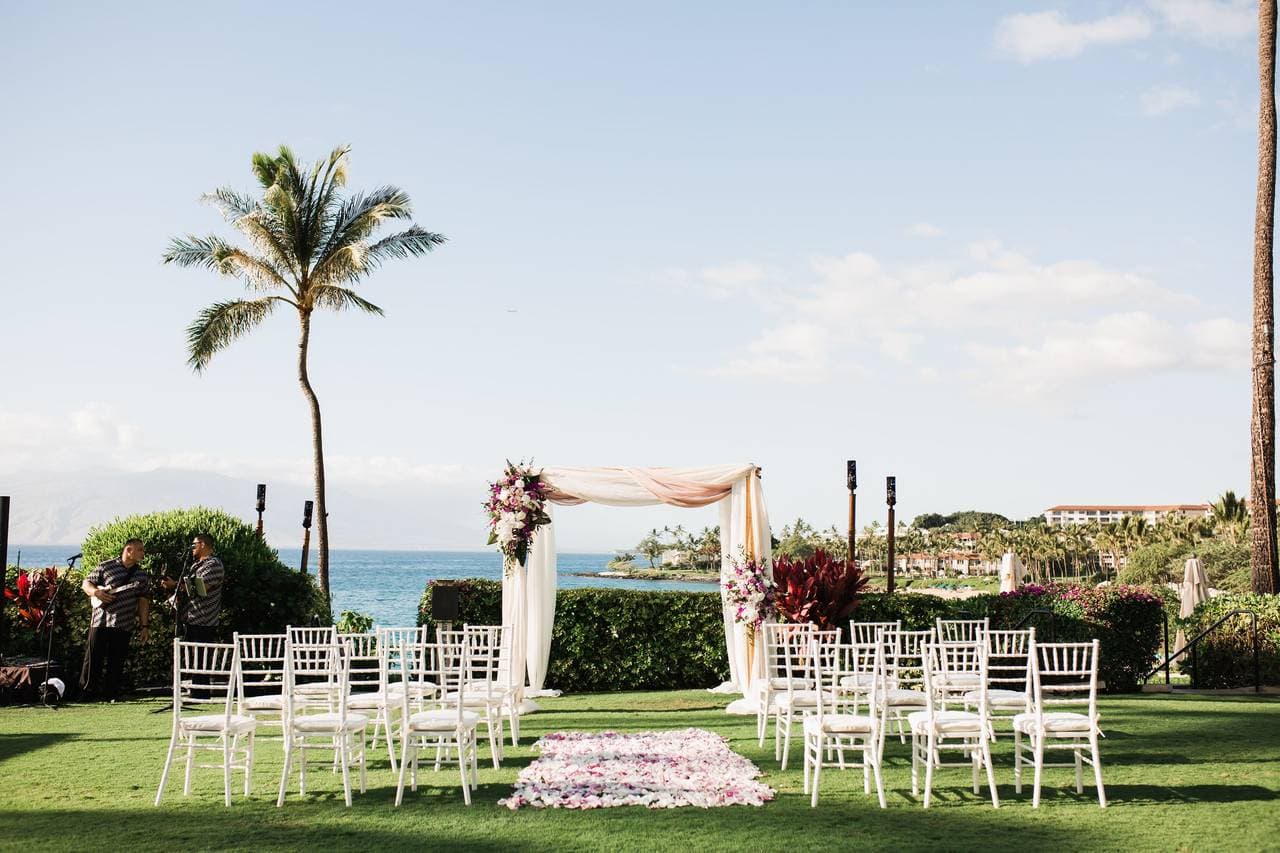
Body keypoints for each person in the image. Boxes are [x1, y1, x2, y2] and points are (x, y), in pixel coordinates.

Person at [80, 539, 151, 701]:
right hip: (100, 621)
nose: (143, 553)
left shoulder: (141, 574)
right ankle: (86, 693)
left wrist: (144, 626)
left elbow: (143, 600)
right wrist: (96, 592)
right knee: (92, 659)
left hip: (124, 623)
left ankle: (110, 694)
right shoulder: (106, 566)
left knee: (116, 661)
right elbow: (86, 583)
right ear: (129, 550)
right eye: (140, 550)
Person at [162, 532, 224, 642]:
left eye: (194, 545)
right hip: (191, 620)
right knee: (188, 658)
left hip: (204, 624)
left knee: (200, 658)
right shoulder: (196, 565)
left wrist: (175, 584)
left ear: (203, 544)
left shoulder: (214, 564)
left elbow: (201, 588)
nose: (191, 548)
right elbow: (189, 588)